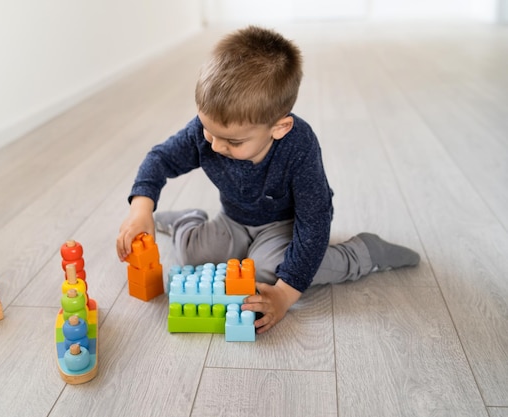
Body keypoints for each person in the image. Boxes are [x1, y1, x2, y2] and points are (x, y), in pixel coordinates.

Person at [116, 25, 419, 334]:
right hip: (234, 219)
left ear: (279, 128)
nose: (216, 146)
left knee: (269, 272)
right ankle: (186, 222)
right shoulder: (206, 133)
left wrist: (286, 294)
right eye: (210, 132)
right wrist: (142, 208)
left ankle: (364, 252)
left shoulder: (299, 147)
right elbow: (161, 158)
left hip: (283, 226)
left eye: (233, 142)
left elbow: (314, 222)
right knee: (193, 257)